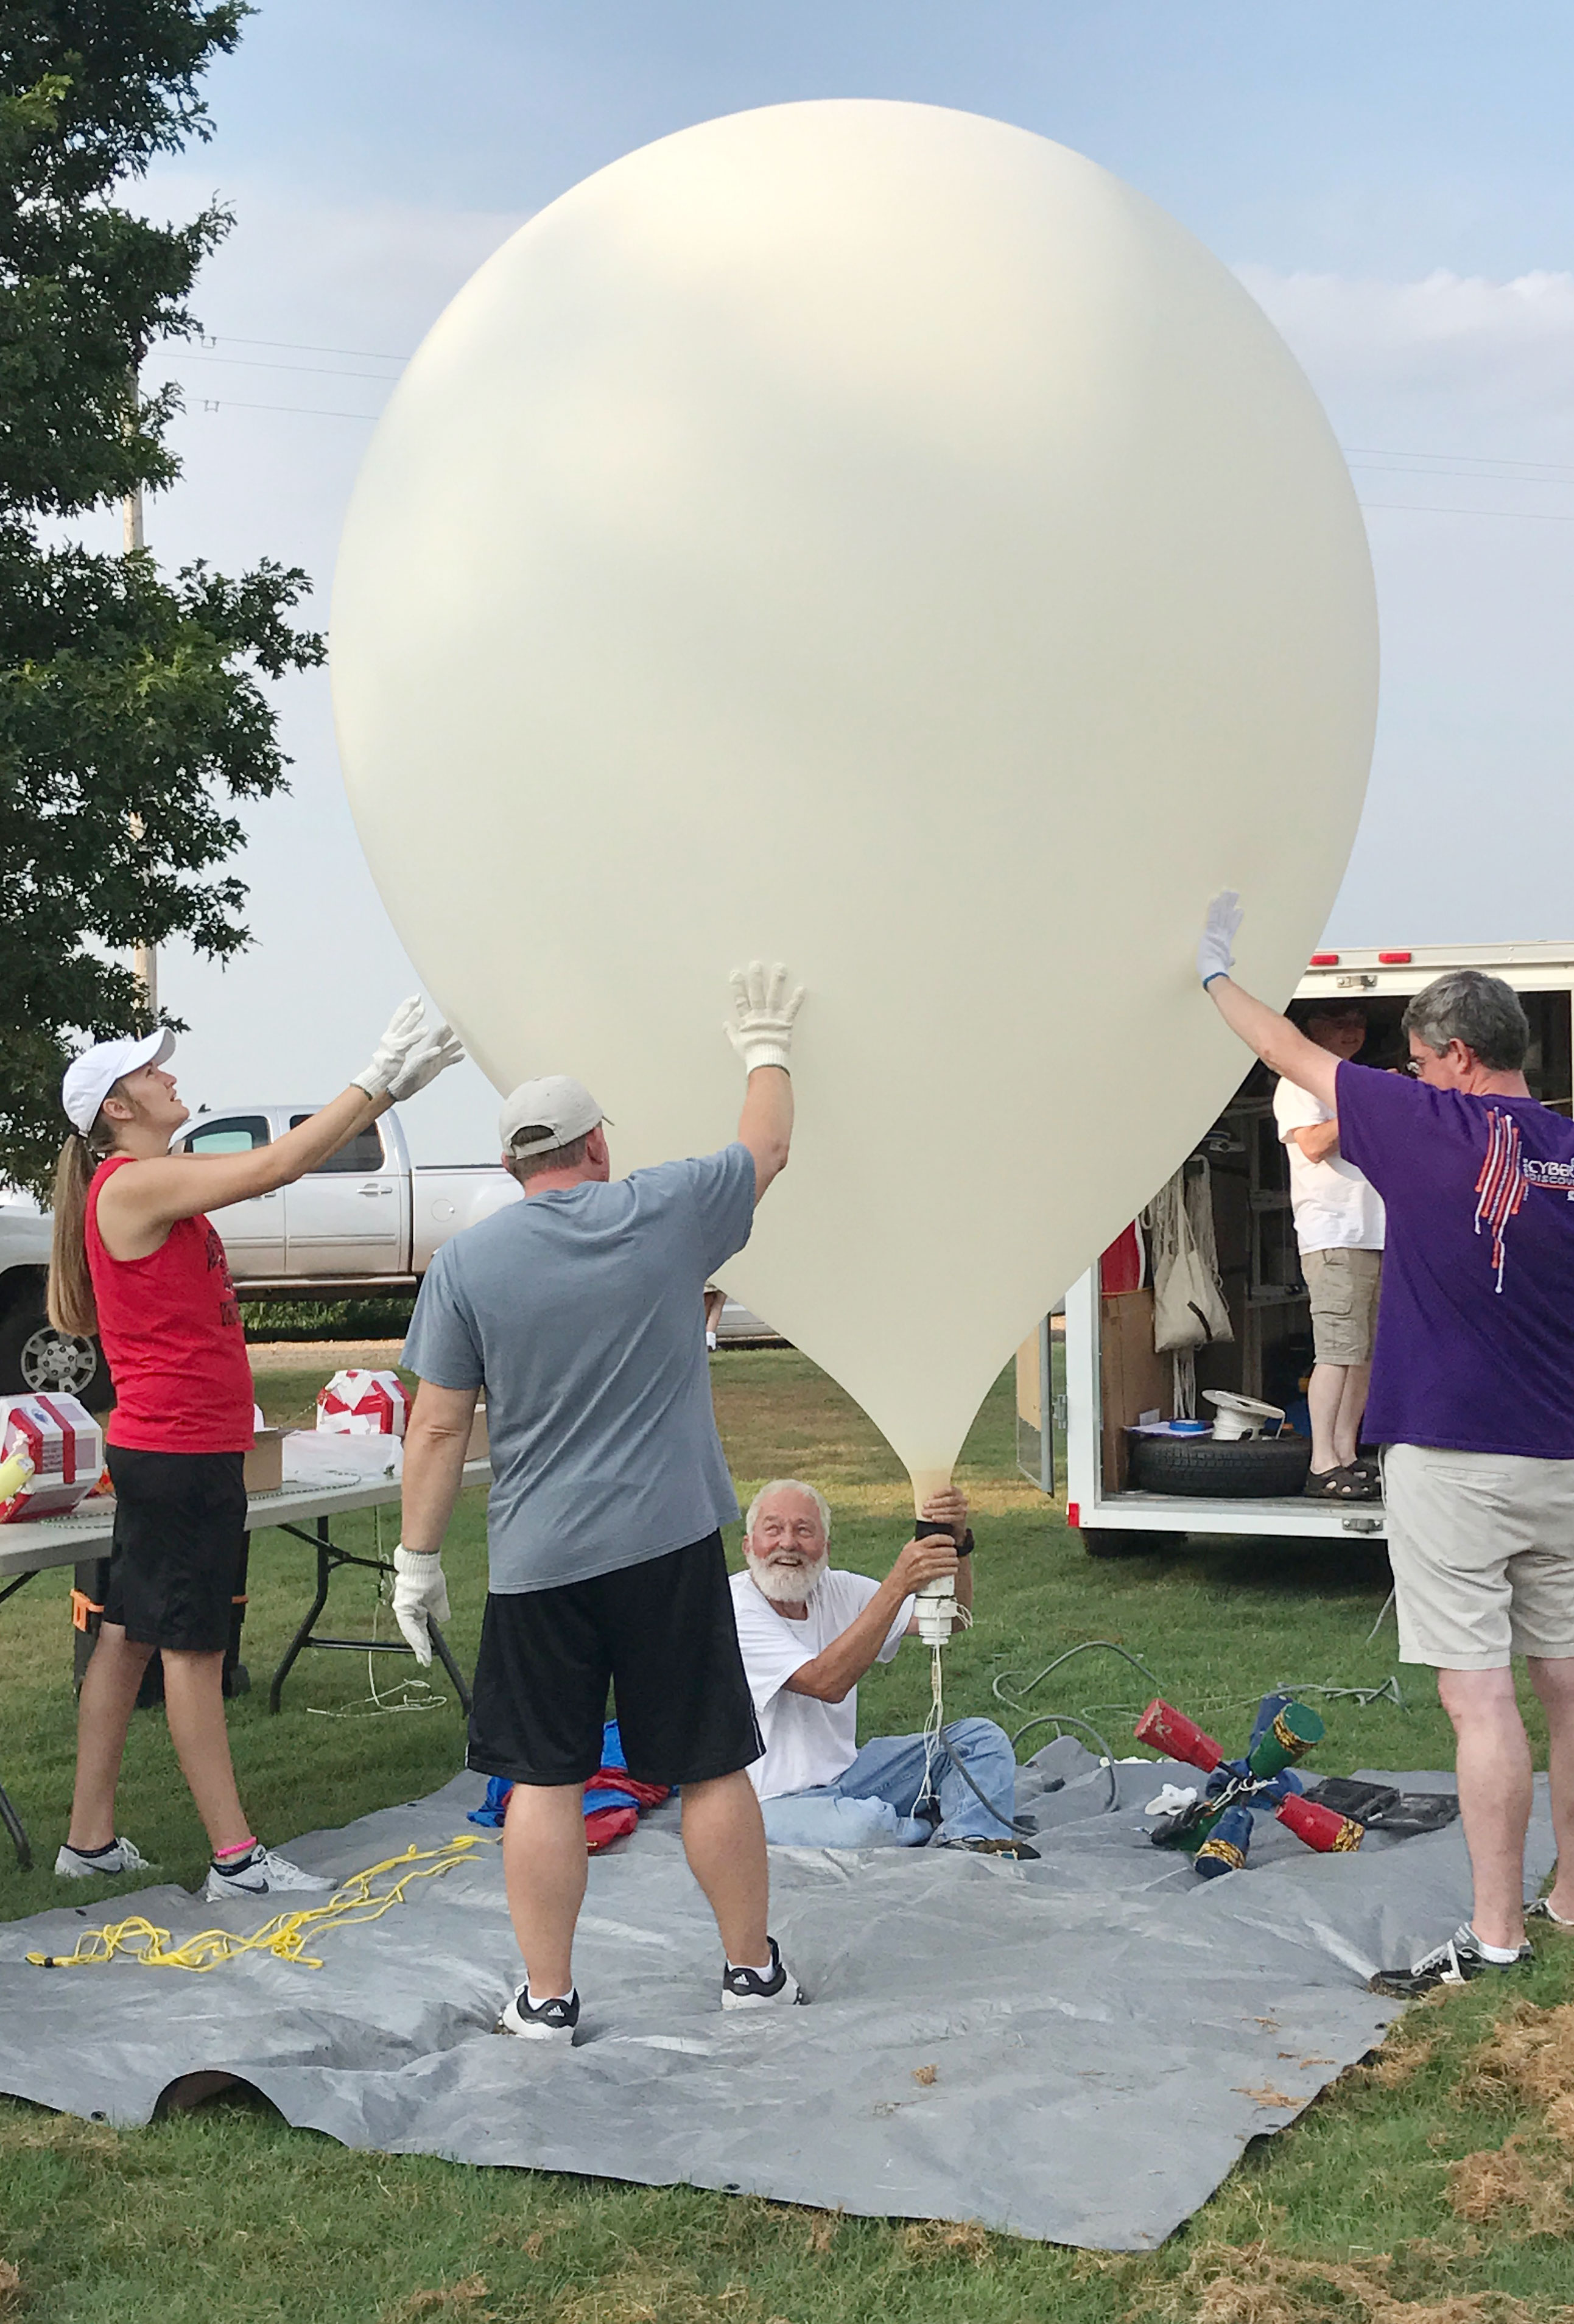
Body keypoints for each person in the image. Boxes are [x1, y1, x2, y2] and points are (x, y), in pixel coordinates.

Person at [393, 963, 806, 2043]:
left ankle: (548, 1997)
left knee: (545, 1778)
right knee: (710, 1759)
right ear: (598, 1148)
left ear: (510, 1163)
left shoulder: (468, 1265)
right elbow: (766, 1146)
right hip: (666, 1542)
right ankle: (751, 1971)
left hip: (539, 1561)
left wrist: (416, 1559)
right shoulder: (663, 1211)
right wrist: (767, 1045)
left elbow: (437, 1426)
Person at [1197, 893, 1574, 1992]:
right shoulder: (1565, 1146)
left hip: (1455, 1456)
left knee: (1482, 1697)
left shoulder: (1424, 1126)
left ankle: (1497, 1934)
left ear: (1458, 1058)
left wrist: (1217, 969)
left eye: (1415, 1061)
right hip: (1564, 1452)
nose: (1404, 1079)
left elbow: (1284, 1047)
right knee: (1567, 1678)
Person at [47, 999, 462, 1898]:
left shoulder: (149, 1176)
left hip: (170, 1450)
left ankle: (87, 1839)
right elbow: (284, 1157)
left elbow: (279, 1168)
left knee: (127, 1633)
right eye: (152, 1072)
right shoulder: (130, 1183)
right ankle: (235, 1858)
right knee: (192, 1650)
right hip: (181, 1455)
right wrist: (378, 1076)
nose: (171, 1077)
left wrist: (383, 1097)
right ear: (117, 1108)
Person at [730, 1478, 1033, 1856]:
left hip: (850, 1773)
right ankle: (925, 1825)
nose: (788, 1543)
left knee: (980, 1741)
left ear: (825, 1547)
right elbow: (825, 1681)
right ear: (748, 1546)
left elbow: (953, 1618)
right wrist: (898, 1583)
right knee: (865, 1827)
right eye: (773, 1529)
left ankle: (969, 1841)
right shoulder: (735, 1610)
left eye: (803, 1530)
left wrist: (958, 1543)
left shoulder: (837, 1589)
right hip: (768, 1803)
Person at [1272, 1000, 1386, 1500]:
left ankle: (1345, 1454)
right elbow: (1313, 1144)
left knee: (1363, 1354)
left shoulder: (1351, 1081)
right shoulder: (1298, 1082)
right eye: (1337, 1021)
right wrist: (1369, 1099)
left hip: (1375, 1233)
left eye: (1357, 1022)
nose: (1349, 1031)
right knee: (1336, 1352)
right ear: (1310, 1027)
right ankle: (1322, 1462)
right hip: (1333, 1234)